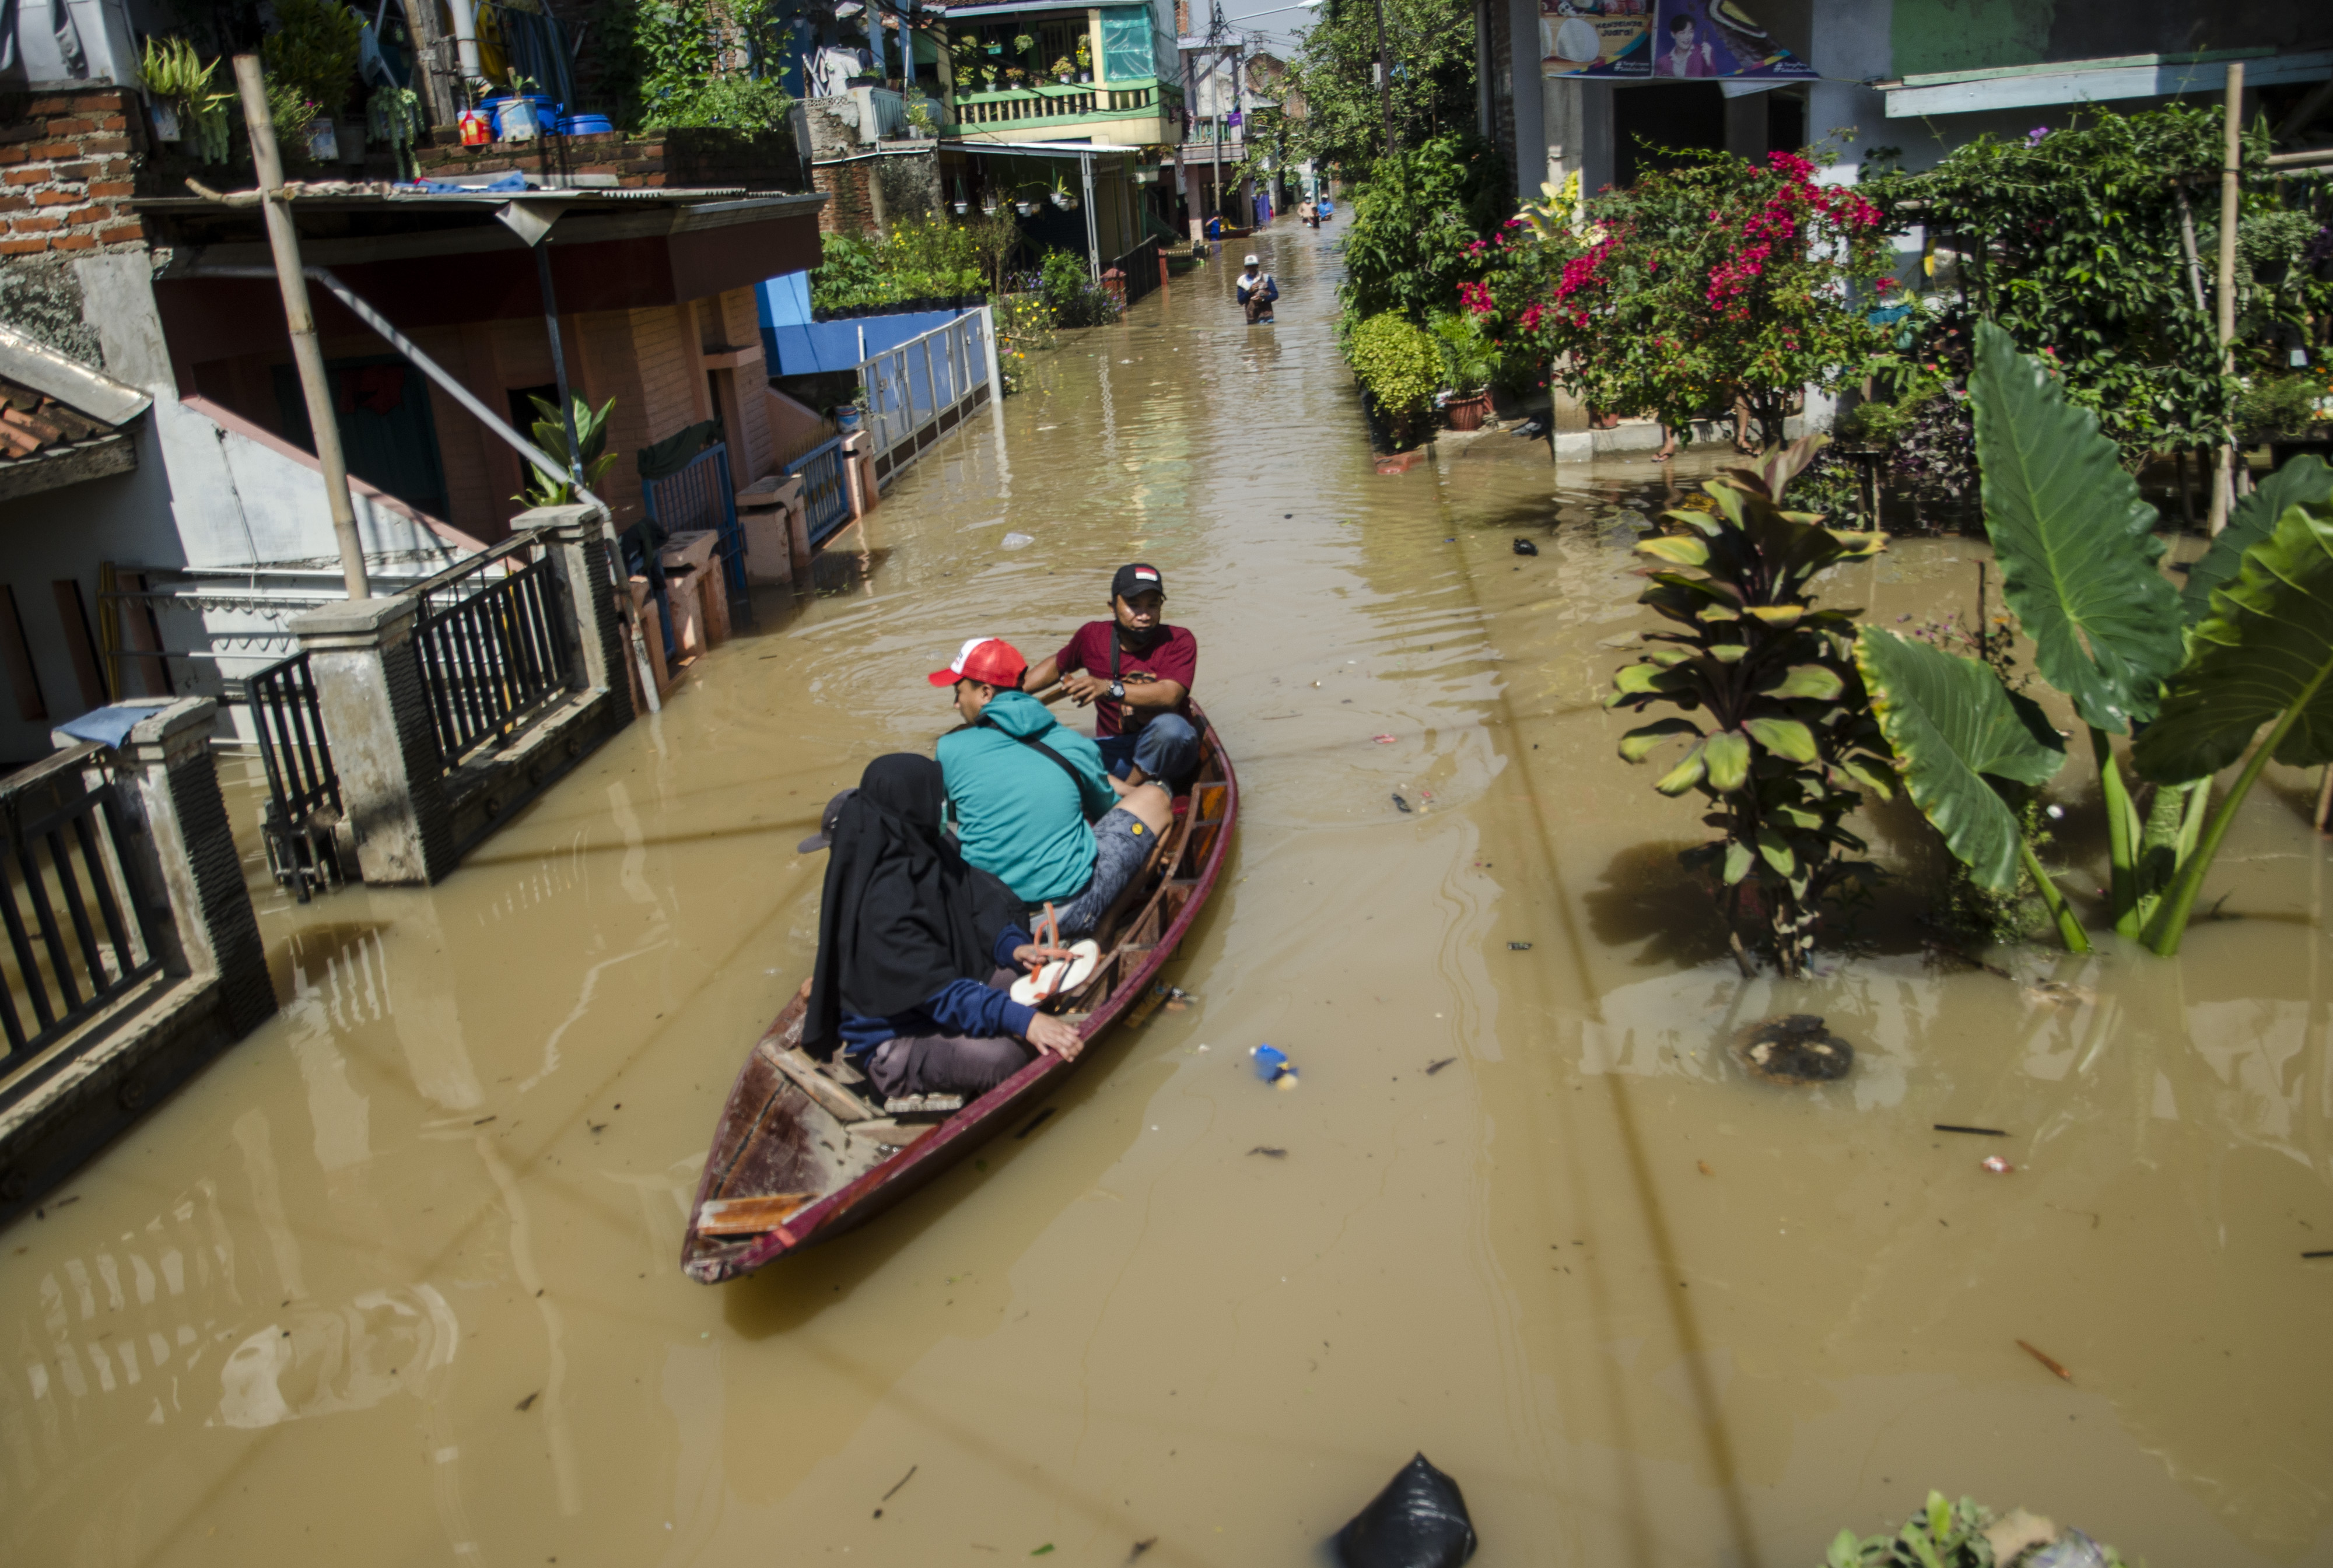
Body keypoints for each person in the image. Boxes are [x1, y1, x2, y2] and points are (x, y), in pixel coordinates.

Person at [800, 755, 1084, 1100]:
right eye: (936, 798)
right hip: (900, 1033)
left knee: (1037, 976)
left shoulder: (926, 848)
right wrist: (1026, 1023)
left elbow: (977, 902)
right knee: (1003, 1059)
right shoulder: (882, 903)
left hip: (946, 985)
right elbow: (937, 992)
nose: (943, 806)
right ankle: (890, 1075)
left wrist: (1012, 946)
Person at [932, 636, 1173, 939]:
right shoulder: (1072, 744)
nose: (956, 703)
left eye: (958, 692)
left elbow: (946, 825)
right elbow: (1107, 814)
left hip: (989, 919)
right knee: (1156, 797)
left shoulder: (949, 747)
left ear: (985, 693)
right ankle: (1106, 925)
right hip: (1069, 915)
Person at [1022, 562, 1200, 792]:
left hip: (1171, 755)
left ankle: (1124, 793)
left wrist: (1108, 688)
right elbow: (1058, 666)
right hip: (1118, 750)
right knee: (1049, 751)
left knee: (1171, 728)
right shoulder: (1092, 637)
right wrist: (1008, 695)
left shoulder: (1179, 641)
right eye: (1134, 605)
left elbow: (1169, 695)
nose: (1144, 615)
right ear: (1112, 607)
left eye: (1152, 606)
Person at [1235, 254, 1277, 324]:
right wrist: (1249, 292)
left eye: (1253, 266)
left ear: (1257, 266)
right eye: (1249, 267)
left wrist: (1263, 299)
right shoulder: (1242, 281)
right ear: (1246, 267)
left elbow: (1275, 295)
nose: (1252, 269)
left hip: (1267, 318)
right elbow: (1240, 301)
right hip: (1252, 320)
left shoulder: (1266, 277)